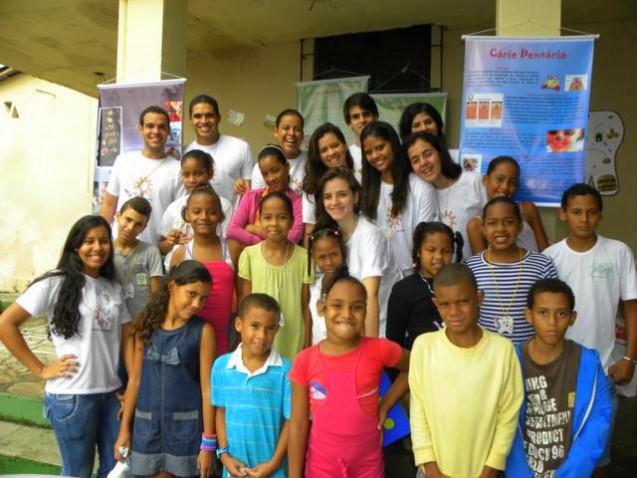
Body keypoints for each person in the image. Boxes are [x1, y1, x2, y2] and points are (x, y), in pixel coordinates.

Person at [0, 215, 131, 478]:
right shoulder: (54, 283)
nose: (97, 247)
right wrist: (40, 369)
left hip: (111, 397)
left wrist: (129, 386)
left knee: (115, 470)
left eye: (104, 241)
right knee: (77, 472)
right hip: (72, 397)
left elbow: (127, 341)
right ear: (75, 247)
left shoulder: (113, 288)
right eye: (89, 241)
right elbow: (6, 323)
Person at [543, 183, 637, 472]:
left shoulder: (618, 252)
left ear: (600, 215)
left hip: (604, 371)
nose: (584, 219)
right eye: (576, 212)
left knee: (597, 456)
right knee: (559, 453)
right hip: (559, 372)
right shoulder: (550, 257)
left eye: (591, 213)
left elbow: (631, 307)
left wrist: (629, 358)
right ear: (563, 214)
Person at [288, 270, 410, 478]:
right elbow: (298, 426)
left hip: (368, 469)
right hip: (321, 469)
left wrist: (386, 403)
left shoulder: (379, 350)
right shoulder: (304, 361)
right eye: (337, 305)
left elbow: (413, 365)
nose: (346, 314)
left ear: (365, 311)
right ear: (321, 308)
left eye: (356, 307)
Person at [409, 263, 523, 478]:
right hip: (432, 471)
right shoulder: (424, 347)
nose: (454, 312)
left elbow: (507, 417)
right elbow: (418, 412)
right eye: (445, 304)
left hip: (484, 473)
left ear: (479, 298)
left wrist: (490, 470)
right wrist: (431, 469)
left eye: (463, 301)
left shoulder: (502, 350)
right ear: (436, 304)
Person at [114, 261, 216, 478]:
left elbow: (208, 390)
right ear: (172, 288)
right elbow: (135, 380)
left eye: (203, 298)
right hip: (146, 427)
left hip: (186, 431)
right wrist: (124, 430)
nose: (197, 303)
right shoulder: (145, 326)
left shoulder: (203, 332)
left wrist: (208, 443)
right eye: (191, 294)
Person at [505, 278, 612, 477]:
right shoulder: (510, 361)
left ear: (572, 318)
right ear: (528, 315)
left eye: (561, 314)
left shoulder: (588, 363)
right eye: (543, 313)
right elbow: (504, 425)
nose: (552, 322)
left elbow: (597, 425)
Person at [212, 293, 291, 478]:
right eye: (254, 326)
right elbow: (221, 412)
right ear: (239, 324)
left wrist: (274, 464)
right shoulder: (221, 366)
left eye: (270, 328)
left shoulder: (286, 371)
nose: (262, 335)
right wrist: (223, 455)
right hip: (233, 469)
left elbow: (291, 422)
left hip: (272, 471)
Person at [314, 168, 400, 337]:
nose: (334, 202)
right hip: (351, 330)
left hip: (379, 329)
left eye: (342, 194)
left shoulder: (369, 235)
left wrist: (370, 350)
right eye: (328, 197)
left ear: (355, 197)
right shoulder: (332, 233)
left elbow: (370, 295)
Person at [465, 197, 558, 344]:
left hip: (530, 356)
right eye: (492, 223)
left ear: (520, 226)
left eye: (509, 222)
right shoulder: (471, 267)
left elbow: (553, 311)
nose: (500, 229)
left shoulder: (542, 264)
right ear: (483, 228)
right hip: (487, 356)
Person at [238, 192, 313, 359]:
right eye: (268, 217)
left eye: (282, 217)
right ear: (260, 219)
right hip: (259, 338)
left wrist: (307, 343)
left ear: (292, 221)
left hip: (293, 336)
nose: (274, 223)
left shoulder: (304, 258)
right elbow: (245, 301)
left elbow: (306, 305)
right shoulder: (249, 255)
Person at [360, 122, 437, 277]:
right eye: (369, 152)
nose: (375, 156)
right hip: (380, 278)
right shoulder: (368, 190)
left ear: (393, 144)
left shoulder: (420, 187)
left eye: (380, 147)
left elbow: (424, 239)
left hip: (415, 276)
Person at [100, 105, 183, 244]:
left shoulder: (178, 170)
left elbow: (178, 215)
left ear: (168, 131)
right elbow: (109, 204)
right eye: (150, 126)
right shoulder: (123, 161)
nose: (156, 131)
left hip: (155, 251)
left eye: (161, 127)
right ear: (140, 128)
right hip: (118, 248)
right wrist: (101, 238)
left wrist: (164, 247)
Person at [170, 184, 235, 356]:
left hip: (223, 338)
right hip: (186, 340)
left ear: (221, 216)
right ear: (187, 214)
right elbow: (170, 300)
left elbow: (243, 296)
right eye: (197, 211)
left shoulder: (232, 249)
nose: (204, 217)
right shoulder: (180, 254)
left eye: (212, 212)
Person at [404, 132, 485, 261]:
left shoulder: (474, 182)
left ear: (440, 152)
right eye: (415, 160)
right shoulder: (421, 197)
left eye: (428, 154)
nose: (423, 162)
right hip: (445, 278)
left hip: (480, 274)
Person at [227, 145, 303, 265]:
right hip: (253, 259)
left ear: (287, 167)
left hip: (281, 260)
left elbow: (292, 238)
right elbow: (232, 230)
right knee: (234, 242)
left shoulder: (297, 202)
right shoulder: (251, 197)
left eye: (275, 170)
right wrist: (260, 243)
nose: (271, 178)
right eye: (265, 174)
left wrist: (254, 229)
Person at [386, 222, 454, 350]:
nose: (439, 257)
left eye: (446, 251)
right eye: (431, 250)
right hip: (418, 364)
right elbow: (394, 344)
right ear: (418, 251)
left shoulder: (458, 285)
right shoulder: (403, 289)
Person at [158, 149, 233, 262]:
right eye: (186, 175)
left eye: (198, 174)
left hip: (210, 266)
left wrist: (198, 242)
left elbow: (229, 244)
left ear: (210, 173)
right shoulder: (174, 207)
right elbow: (162, 248)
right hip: (178, 269)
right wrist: (171, 241)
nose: (192, 180)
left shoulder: (223, 205)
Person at [467, 156, 549, 254]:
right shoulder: (476, 225)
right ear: (485, 180)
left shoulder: (527, 209)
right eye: (499, 179)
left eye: (512, 182)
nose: (505, 187)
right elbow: (480, 266)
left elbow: (546, 252)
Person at [185, 94, 254, 202]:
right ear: (190, 120)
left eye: (209, 115)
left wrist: (243, 187)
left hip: (234, 218)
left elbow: (250, 193)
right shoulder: (185, 153)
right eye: (198, 116)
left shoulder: (241, 147)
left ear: (219, 117)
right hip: (198, 218)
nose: (204, 121)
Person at [302, 122, 354, 238]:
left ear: (345, 145)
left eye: (335, 145)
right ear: (318, 156)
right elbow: (309, 231)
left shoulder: (358, 176)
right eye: (324, 150)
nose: (331, 152)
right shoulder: (312, 186)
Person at [113, 197, 163, 318]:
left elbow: (156, 293)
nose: (130, 227)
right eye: (128, 220)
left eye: (138, 224)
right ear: (118, 216)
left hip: (141, 322)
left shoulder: (151, 251)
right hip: (113, 322)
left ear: (144, 227)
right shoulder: (105, 250)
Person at [251, 109, 307, 195]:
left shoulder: (311, 163)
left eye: (297, 129)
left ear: (302, 135)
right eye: (286, 128)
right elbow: (257, 201)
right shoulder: (261, 166)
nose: (291, 133)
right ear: (276, 132)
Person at [306, 227, 347, 344]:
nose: (329, 262)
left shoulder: (350, 288)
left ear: (343, 253)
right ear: (314, 258)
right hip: (318, 354)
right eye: (322, 257)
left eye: (334, 254)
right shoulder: (313, 289)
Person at [343, 92, 379, 180]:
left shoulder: (389, 150)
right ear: (349, 123)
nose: (362, 120)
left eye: (366, 114)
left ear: (376, 117)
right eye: (356, 117)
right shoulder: (346, 156)